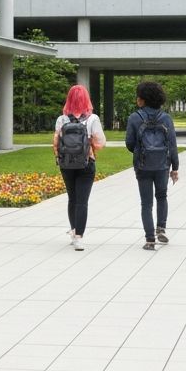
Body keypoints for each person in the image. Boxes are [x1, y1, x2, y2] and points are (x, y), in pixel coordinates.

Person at [125, 80, 179, 250]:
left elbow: (129, 143)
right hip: (163, 165)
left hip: (143, 166)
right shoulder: (166, 118)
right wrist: (175, 167)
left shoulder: (135, 117)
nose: (137, 99)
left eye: (138, 96)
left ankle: (149, 239)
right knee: (162, 196)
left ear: (143, 99)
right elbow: (172, 144)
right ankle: (161, 228)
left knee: (146, 203)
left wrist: (140, 151)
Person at [53, 85, 106, 251]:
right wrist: (91, 146)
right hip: (86, 163)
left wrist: (59, 157)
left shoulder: (62, 119)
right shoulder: (93, 119)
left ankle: (74, 230)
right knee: (82, 201)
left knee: (72, 198)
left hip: (66, 164)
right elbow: (101, 142)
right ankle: (79, 237)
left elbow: (56, 143)